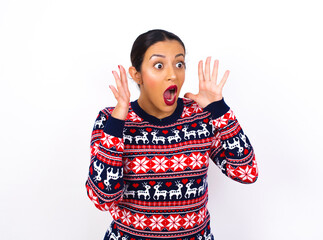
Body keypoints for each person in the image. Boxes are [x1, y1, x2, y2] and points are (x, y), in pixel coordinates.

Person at [85, 29, 258, 240]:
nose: (173, 74)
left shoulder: (201, 116)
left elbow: (246, 173)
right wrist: (117, 122)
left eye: (179, 64)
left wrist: (220, 110)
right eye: (159, 65)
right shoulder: (109, 120)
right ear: (136, 74)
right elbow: (102, 200)